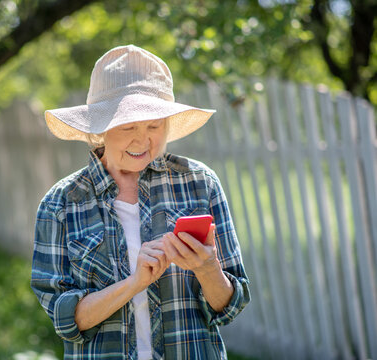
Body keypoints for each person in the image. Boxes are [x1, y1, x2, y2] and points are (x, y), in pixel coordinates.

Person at [31, 45, 250, 359]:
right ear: (100, 129)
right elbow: (66, 321)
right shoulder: (62, 204)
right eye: (128, 126)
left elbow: (230, 306)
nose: (142, 140)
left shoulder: (198, 183)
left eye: (154, 125)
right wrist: (134, 282)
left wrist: (206, 268)